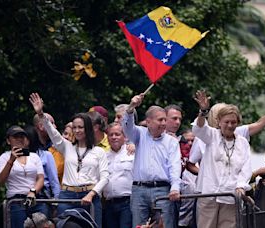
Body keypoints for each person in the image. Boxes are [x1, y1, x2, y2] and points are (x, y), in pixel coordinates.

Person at [29, 92, 109, 228]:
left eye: (80, 127)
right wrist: (41, 114)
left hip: (89, 197)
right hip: (67, 196)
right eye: (75, 127)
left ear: (88, 128)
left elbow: (105, 177)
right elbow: (53, 133)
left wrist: (91, 194)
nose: (77, 130)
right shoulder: (67, 147)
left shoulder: (99, 151)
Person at [193, 90, 252, 228]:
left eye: (233, 122)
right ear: (219, 122)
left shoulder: (243, 143)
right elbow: (199, 128)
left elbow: (246, 168)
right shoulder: (211, 135)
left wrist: (241, 186)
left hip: (230, 197)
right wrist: (203, 111)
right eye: (226, 122)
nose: (230, 125)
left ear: (238, 123)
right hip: (208, 195)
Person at [122, 93, 181, 228]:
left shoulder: (171, 142)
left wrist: (175, 188)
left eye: (165, 120)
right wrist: (131, 107)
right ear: (148, 122)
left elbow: (175, 167)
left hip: (163, 190)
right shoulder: (139, 134)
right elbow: (127, 127)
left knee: (165, 225)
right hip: (139, 189)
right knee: (138, 226)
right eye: (160, 120)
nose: (164, 123)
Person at [0, 125, 45, 228]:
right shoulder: (4, 157)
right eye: (15, 137)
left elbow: (40, 178)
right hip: (16, 202)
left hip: (35, 199)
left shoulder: (34, 156)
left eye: (22, 136)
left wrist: (33, 191)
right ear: (8, 141)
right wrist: (11, 160)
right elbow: (1, 181)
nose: (19, 139)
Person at [103, 122, 134, 228]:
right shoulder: (103, 156)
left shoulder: (132, 153)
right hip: (109, 203)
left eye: (117, 134)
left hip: (127, 202)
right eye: (111, 135)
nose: (114, 137)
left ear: (124, 137)